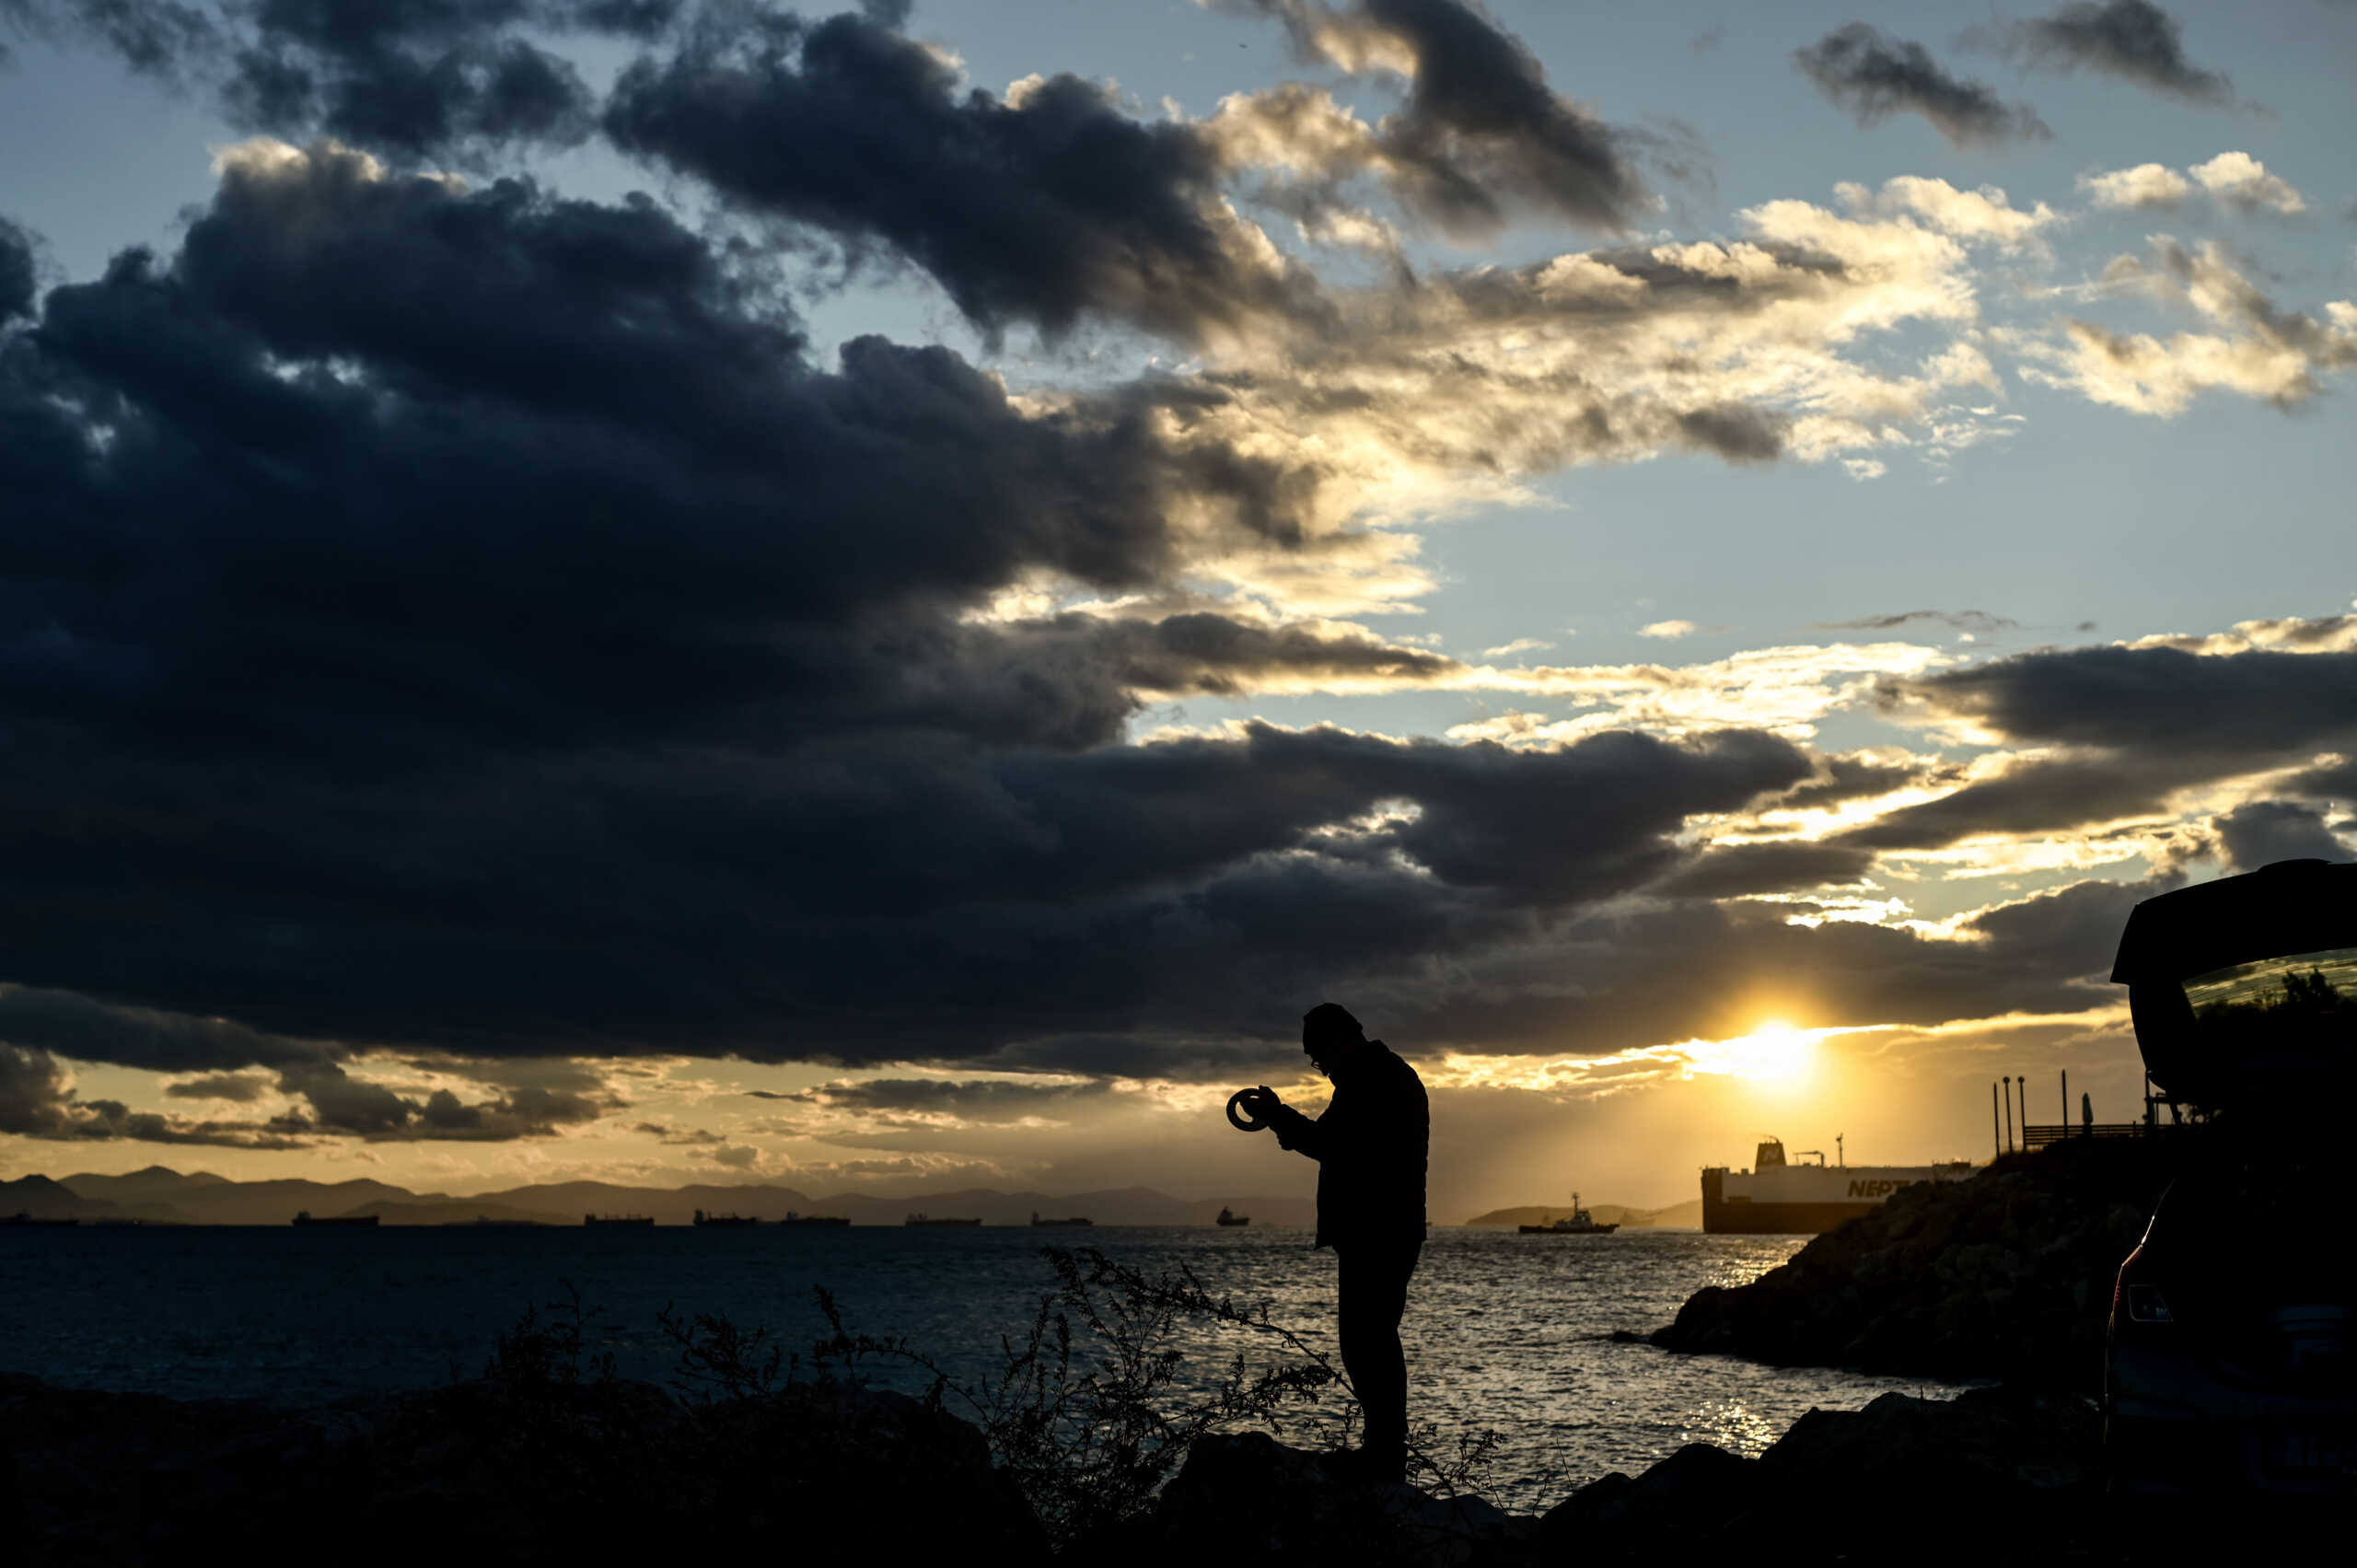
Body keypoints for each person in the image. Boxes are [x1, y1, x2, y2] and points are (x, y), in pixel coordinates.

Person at [1237, 1003, 1428, 1482]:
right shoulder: (1379, 1076)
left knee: (1369, 1343)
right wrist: (1283, 1120)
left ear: (1341, 1042)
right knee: (1370, 1342)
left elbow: (1331, 1144)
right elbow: (1332, 1140)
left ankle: (1384, 1458)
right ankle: (1383, 1454)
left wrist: (1279, 1118)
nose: (1322, 1070)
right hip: (1383, 1229)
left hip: (1377, 1230)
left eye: (1321, 1059)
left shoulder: (1373, 1080)